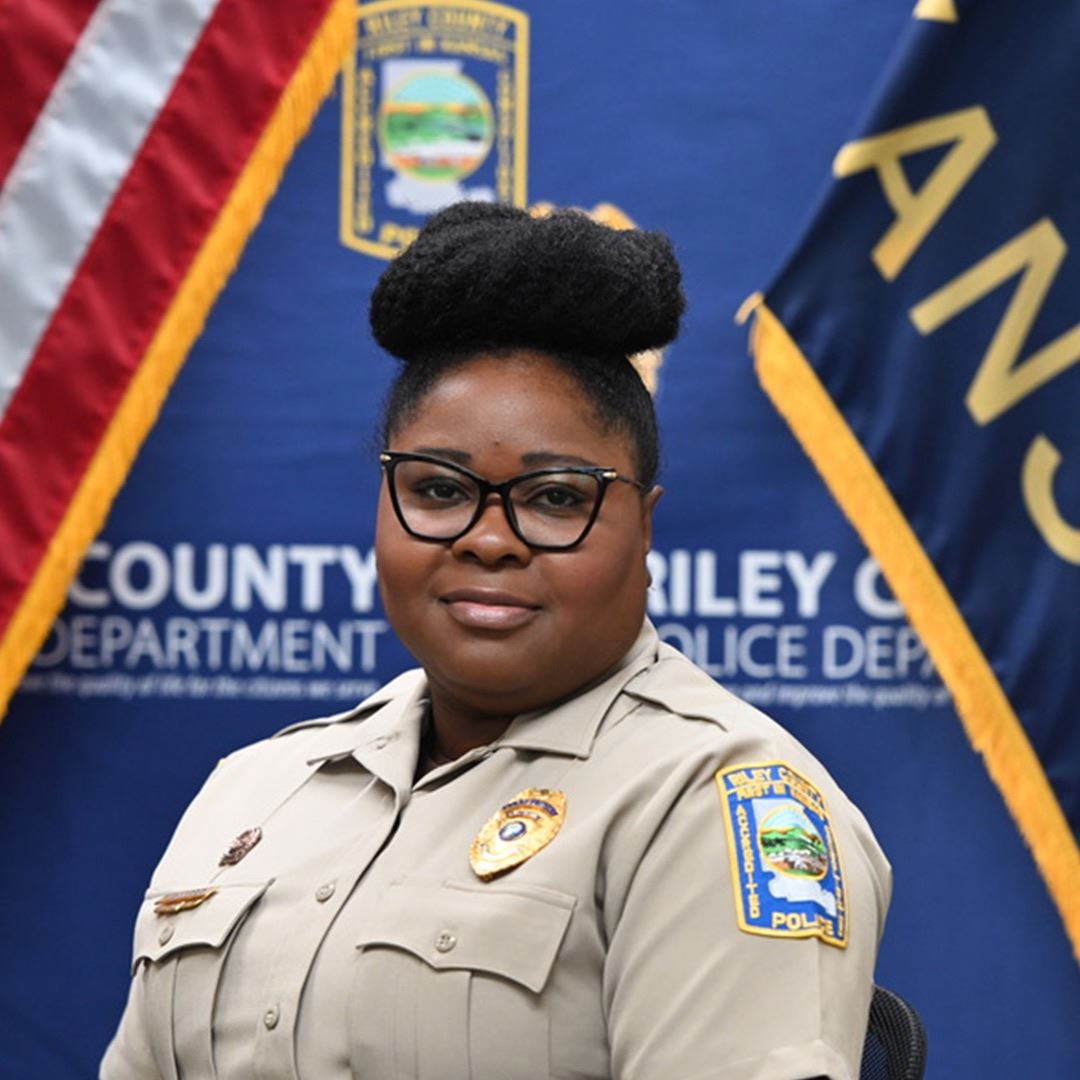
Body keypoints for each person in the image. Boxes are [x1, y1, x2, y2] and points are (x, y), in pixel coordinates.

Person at [101, 202, 890, 1080]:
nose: (487, 538)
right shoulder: (256, 791)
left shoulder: (713, 802)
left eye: (556, 498)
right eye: (438, 490)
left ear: (644, 529)